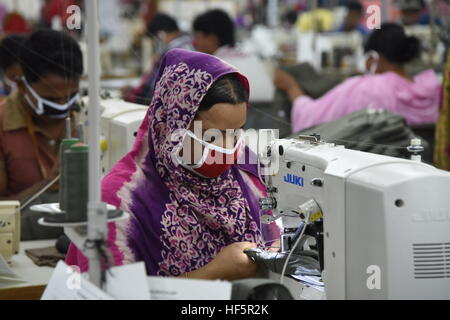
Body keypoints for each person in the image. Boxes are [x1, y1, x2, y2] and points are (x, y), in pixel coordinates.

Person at [66, 48, 279, 280]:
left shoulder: (245, 175)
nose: (228, 148)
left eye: (236, 132)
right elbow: (108, 295)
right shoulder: (119, 201)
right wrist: (212, 274)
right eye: (212, 135)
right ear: (173, 125)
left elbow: (275, 233)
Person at [274, 23, 441, 133]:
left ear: (374, 58)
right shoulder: (429, 89)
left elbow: (312, 119)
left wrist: (292, 88)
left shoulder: (368, 88)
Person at [0, 29, 82, 201]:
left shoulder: (87, 117)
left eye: (69, 97)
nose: (61, 106)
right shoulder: (3, 124)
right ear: (22, 86)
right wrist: (47, 185)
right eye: (49, 99)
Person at [192, 9, 274, 102]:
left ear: (211, 39)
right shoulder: (251, 57)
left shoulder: (214, 67)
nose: (195, 43)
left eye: (197, 37)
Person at [123, 13, 192, 105]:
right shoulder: (189, 44)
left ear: (160, 34)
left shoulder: (172, 52)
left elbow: (153, 88)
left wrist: (133, 96)